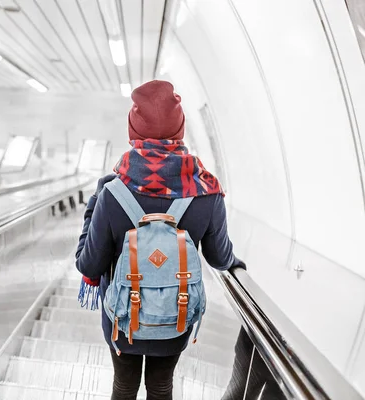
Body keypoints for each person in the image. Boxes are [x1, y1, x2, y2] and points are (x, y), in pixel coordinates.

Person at [75, 80, 245, 400]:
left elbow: (89, 263)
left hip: (123, 320)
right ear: (180, 129)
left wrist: (91, 210)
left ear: (134, 131)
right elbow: (220, 258)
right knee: (161, 387)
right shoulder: (206, 191)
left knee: (124, 386)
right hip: (174, 317)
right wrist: (238, 266)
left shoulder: (112, 191)